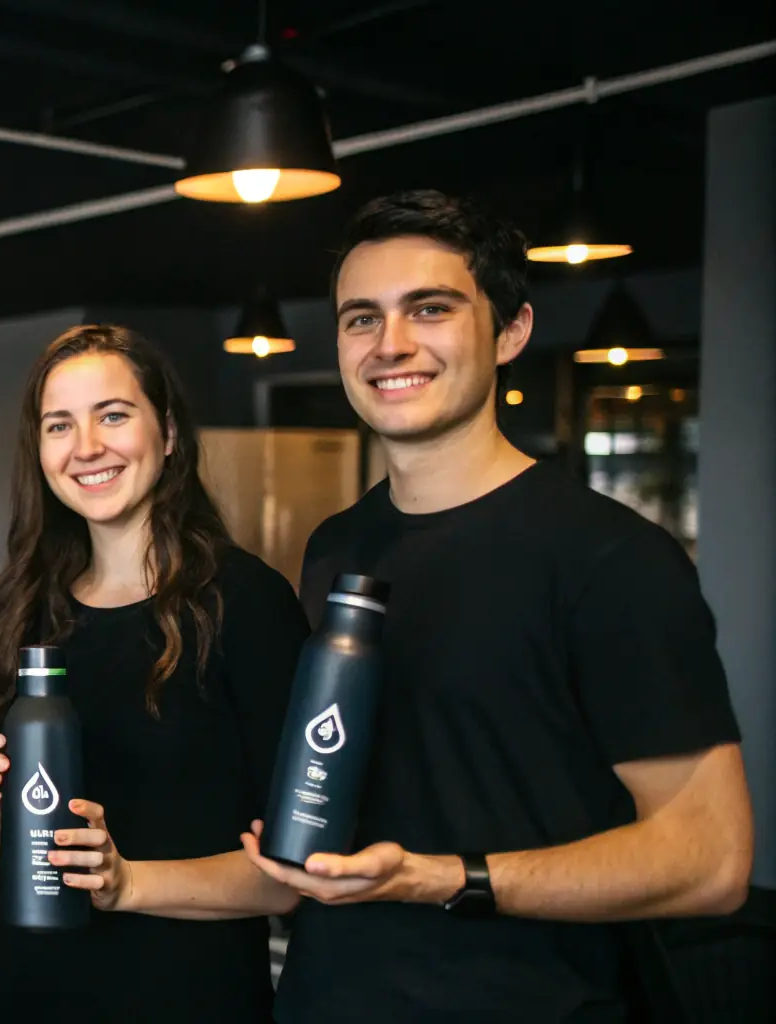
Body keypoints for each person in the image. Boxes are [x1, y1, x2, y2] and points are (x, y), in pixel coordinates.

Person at [242, 190, 753, 1023]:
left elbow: (711, 859)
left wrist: (441, 877)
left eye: (431, 309)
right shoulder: (337, 545)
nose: (390, 344)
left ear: (511, 329)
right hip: (331, 996)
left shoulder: (612, 559)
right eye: (360, 318)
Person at [0, 325, 308, 1022]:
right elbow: (9, 851)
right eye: (60, 424)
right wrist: (1, 823)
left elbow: (292, 879)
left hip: (187, 995)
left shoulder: (247, 603)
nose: (86, 446)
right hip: (37, 993)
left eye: (113, 415)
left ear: (169, 433)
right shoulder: (30, 608)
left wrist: (127, 884)